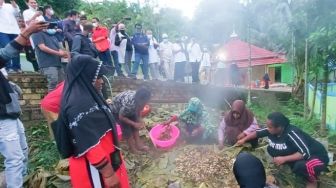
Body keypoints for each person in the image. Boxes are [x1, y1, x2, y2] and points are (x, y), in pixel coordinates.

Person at [56, 53, 130, 187]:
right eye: (98, 77)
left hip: (107, 159)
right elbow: (88, 144)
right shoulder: (77, 104)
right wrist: (108, 174)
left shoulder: (89, 96)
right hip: (95, 170)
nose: (101, 81)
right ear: (85, 76)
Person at [237, 112, 329, 188]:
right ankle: (292, 167)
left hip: (316, 156)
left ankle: (312, 181)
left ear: (280, 127)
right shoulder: (271, 129)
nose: (267, 129)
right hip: (298, 154)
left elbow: (305, 153)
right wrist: (243, 140)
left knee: (301, 166)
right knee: (271, 148)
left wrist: (284, 159)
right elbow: (257, 133)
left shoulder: (292, 133)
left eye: (270, 127)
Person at [0, 63, 28, 188]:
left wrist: (9, 86)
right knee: (14, 159)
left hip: (12, 115)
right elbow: (5, 55)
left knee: (23, 151)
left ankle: (23, 181)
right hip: (2, 118)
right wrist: (18, 43)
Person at [110, 88, 151, 153]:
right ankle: (133, 148)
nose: (145, 104)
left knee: (136, 122)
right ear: (139, 101)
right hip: (117, 111)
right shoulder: (129, 104)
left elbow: (139, 110)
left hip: (128, 109)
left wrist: (139, 119)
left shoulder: (140, 99)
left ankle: (138, 144)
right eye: (143, 103)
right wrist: (134, 124)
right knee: (127, 130)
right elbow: (121, 117)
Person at [32, 26, 67, 92]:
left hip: (58, 63)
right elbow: (42, 47)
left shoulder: (52, 36)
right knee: (53, 83)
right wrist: (59, 53)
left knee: (62, 85)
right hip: (47, 64)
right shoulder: (37, 33)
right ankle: (50, 101)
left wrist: (64, 54)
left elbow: (59, 49)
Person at [0, 0, 22, 73]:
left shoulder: (9, 5)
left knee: (16, 48)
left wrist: (13, 2)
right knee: (6, 48)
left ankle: (16, 67)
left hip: (14, 30)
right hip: (2, 30)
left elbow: (17, 12)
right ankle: (8, 67)